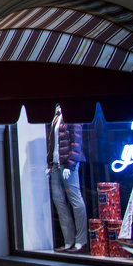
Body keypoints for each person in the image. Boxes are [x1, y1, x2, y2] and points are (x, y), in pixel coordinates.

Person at [46, 104, 88, 252]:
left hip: (68, 163)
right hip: (57, 164)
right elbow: (53, 142)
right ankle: (68, 240)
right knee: (58, 201)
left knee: (75, 199)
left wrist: (70, 165)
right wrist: (50, 163)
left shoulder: (73, 114)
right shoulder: (57, 116)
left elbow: (76, 142)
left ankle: (81, 241)